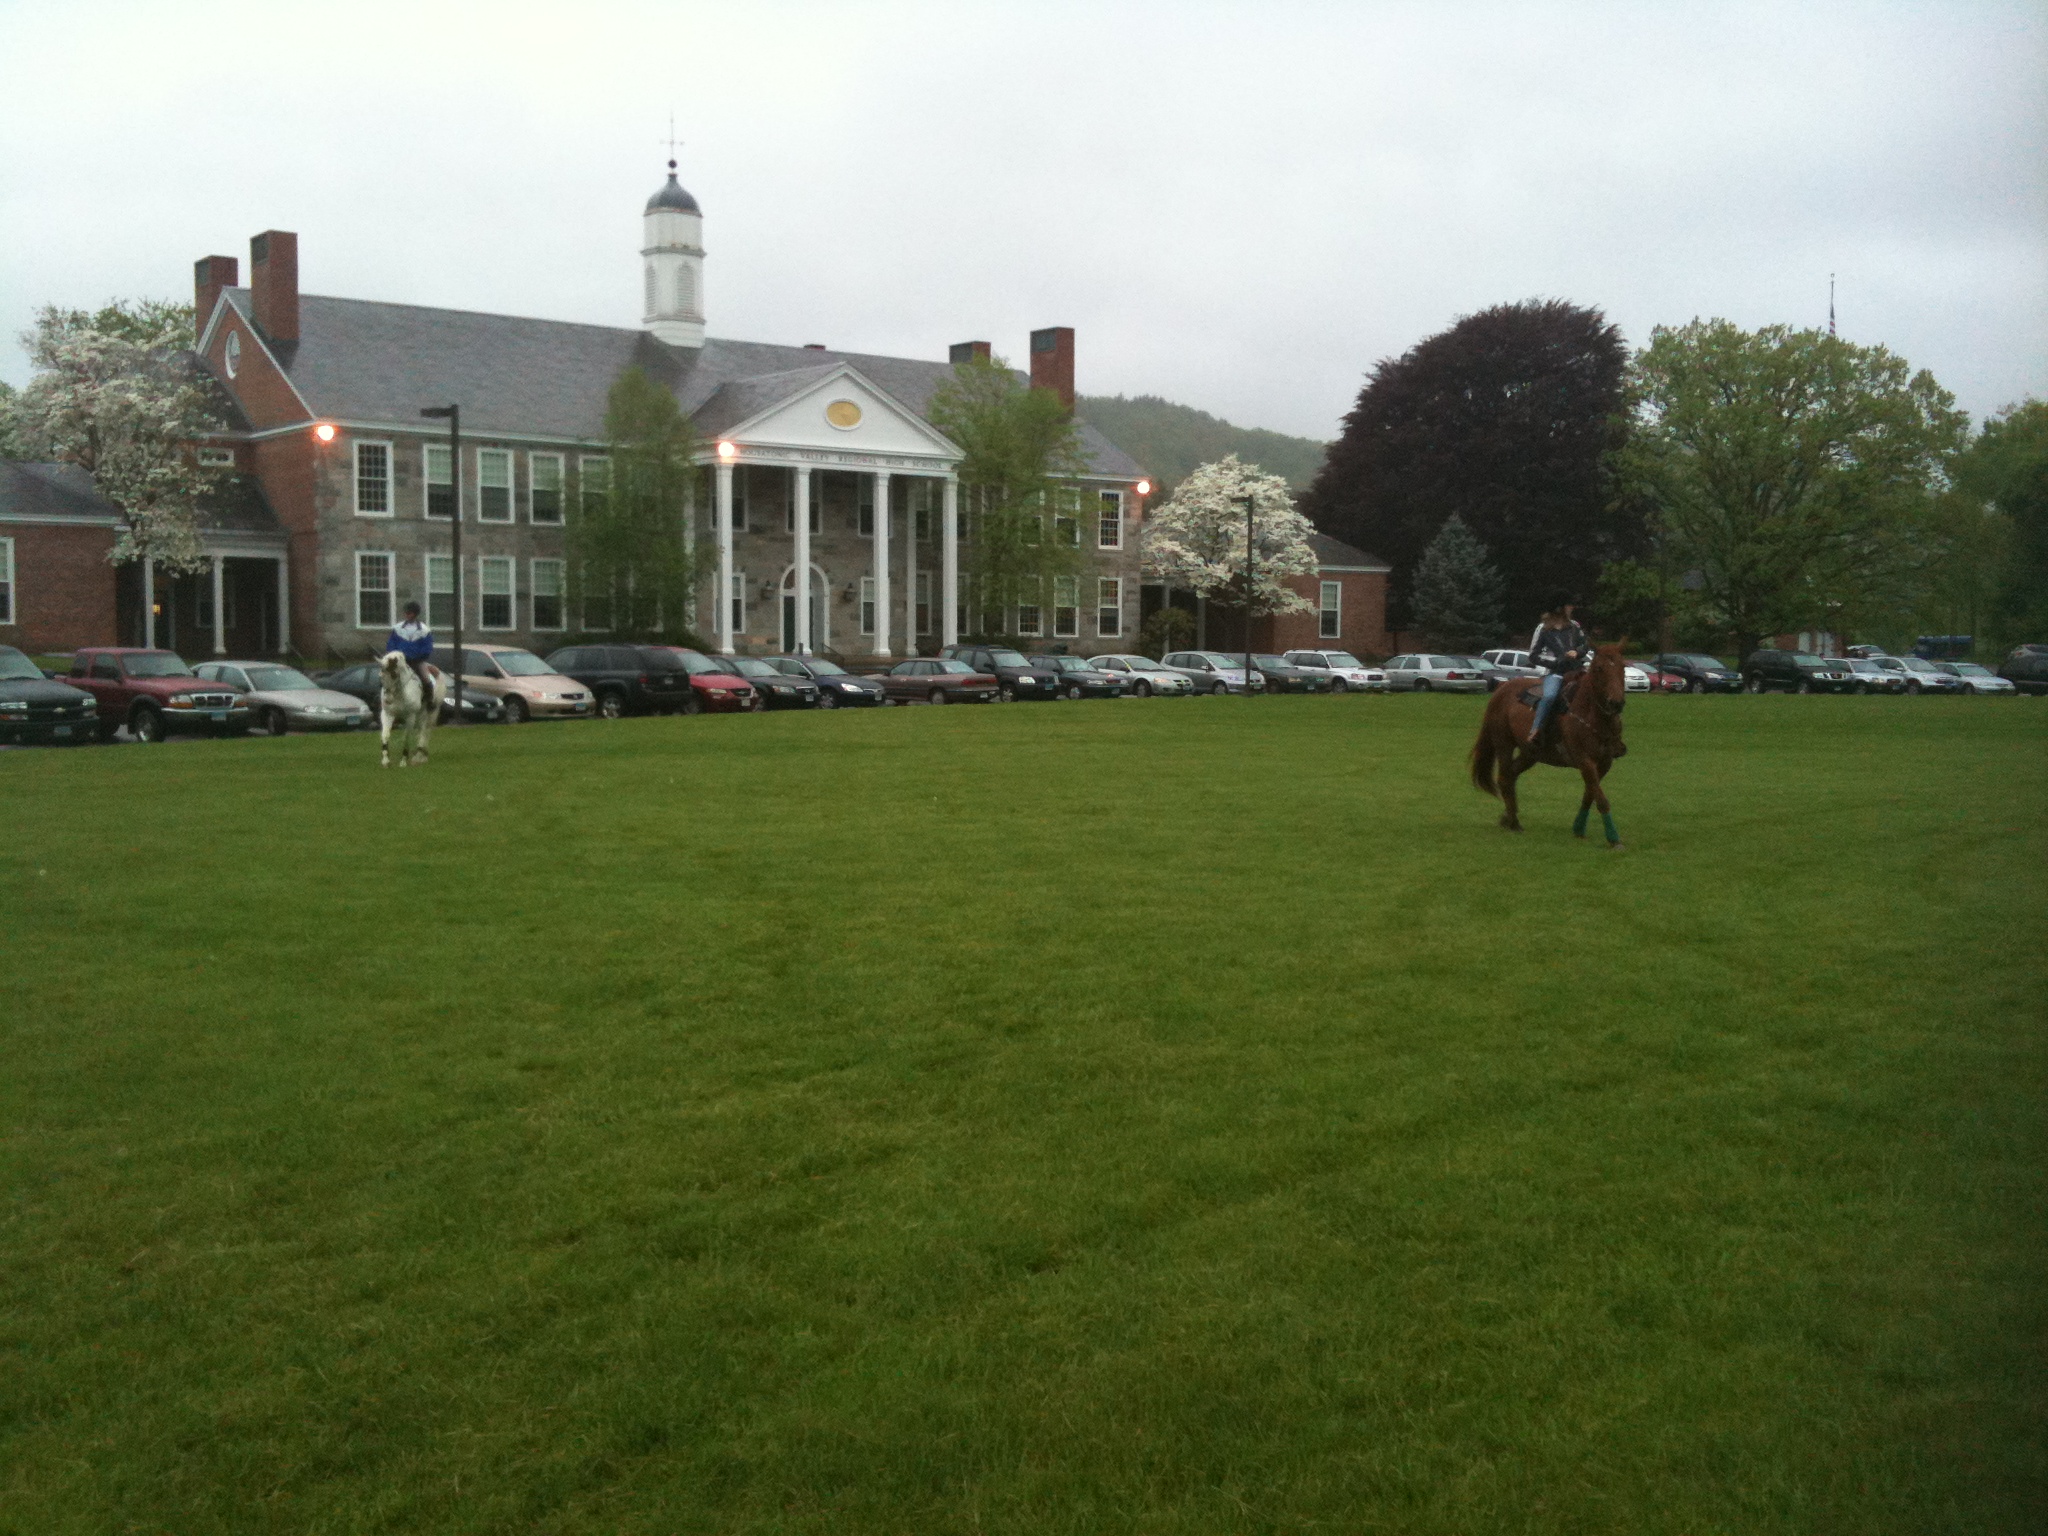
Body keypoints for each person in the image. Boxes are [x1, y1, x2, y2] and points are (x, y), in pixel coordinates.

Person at [1526, 597, 1586, 744]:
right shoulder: (1543, 628)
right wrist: (1556, 661)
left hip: (1576, 670)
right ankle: (1535, 729)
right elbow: (1533, 655)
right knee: (1549, 696)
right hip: (1555, 673)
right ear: (1559, 608)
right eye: (1569, 605)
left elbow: (1585, 645)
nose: (1572, 608)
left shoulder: (1574, 626)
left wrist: (1577, 652)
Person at [385, 601, 435, 705]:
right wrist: (393, 654)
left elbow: (427, 647)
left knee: (425, 678)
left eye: (409, 613)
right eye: (406, 613)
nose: (407, 615)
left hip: (417, 661)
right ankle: (384, 698)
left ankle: (429, 700)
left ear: (415, 614)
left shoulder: (424, 630)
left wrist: (419, 656)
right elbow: (391, 643)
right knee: (387, 675)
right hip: (400, 661)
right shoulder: (397, 628)